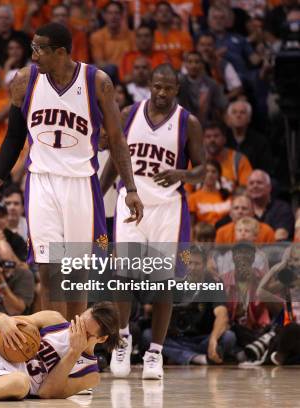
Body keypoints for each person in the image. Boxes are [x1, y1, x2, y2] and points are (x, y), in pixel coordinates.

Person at [0, 23, 143, 321]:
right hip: (41, 181)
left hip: (81, 182)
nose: (33, 56)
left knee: (76, 270)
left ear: (60, 52)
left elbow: (117, 139)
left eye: (39, 50)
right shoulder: (24, 80)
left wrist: (130, 189)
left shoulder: (97, 81)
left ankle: (76, 341)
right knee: (48, 266)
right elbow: (14, 137)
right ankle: (55, 341)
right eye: (32, 49)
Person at [100, 64, 205, 380]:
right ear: (149, 85)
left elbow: (202, 169)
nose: (161, 93)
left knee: (162, 284)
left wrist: (182, 174)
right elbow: (117, 162)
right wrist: (97, 197)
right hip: (131, 202)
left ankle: (154, 353)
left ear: (176, 89)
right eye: (156, 86)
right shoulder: (130, 112)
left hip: (168, 208)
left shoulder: (189, 123)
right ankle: (121, 339)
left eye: (167, 88)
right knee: (122, 276)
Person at [143, 247, 236, 365]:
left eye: (197, 264)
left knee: (229, 337)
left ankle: (178, 355)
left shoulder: (213, 282)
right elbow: (149, 308)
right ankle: (196, 358)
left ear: (204, 265)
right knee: (147, 336)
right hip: (175, 337)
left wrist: (213, 339)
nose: (192, 267)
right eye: (189, 263)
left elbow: (222, 314)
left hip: (202, 338)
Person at [246, 170, 294, 241]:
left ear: (269, 187)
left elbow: (280, 237)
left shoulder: (282, 209)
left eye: (259, 183)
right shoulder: (241, 209)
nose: (255, 186)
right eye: (251, 183)